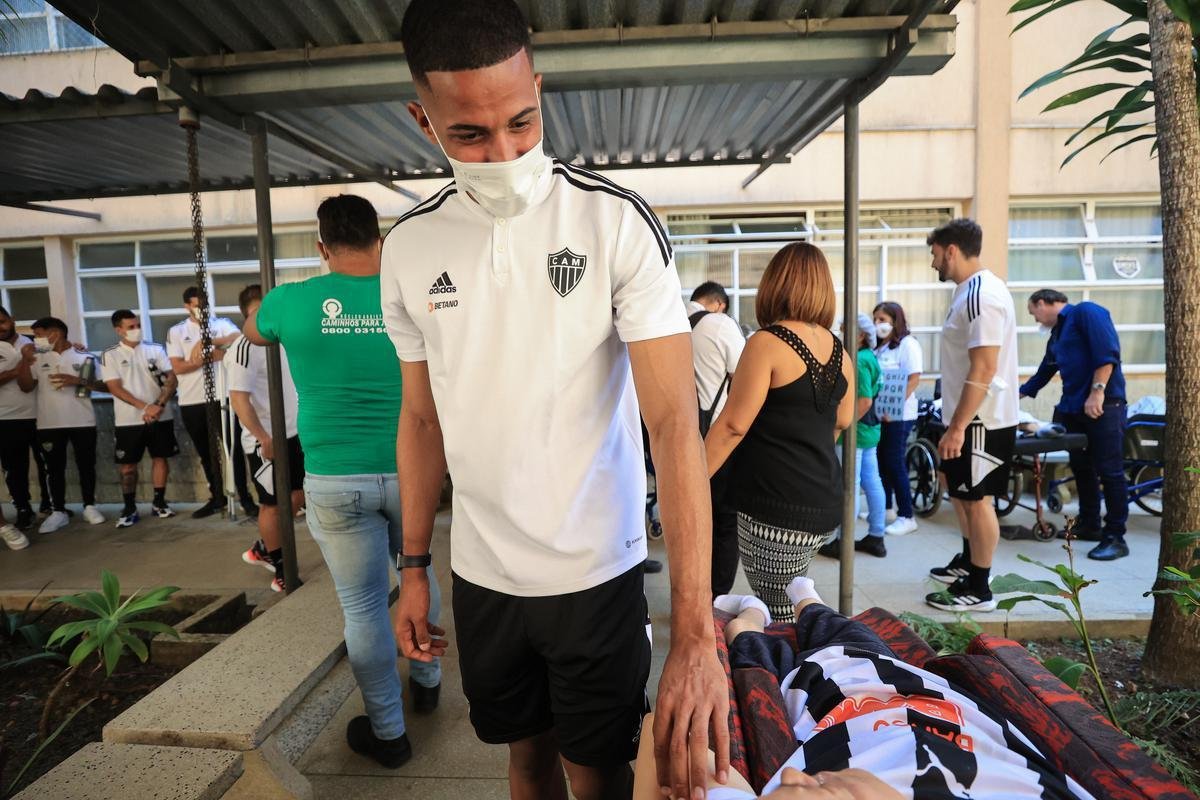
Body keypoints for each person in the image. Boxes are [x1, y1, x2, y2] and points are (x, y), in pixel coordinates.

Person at [384, 4, 729, 799]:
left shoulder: (614, 222)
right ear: (423, 121)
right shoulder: (408, 247)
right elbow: (422, 418)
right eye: (469, 134)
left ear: (538, 89)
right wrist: (414, 566)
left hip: (596, 572)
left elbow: (674, 424)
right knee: (525, 759)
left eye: (521, 121)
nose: (504, 153)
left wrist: (695, 632)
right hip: (483, 573)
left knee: (598, 770)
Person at [245, 194, 442, 770]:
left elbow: (254, 331)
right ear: (380, 240)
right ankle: (428, 681)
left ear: (322, 247)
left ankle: (389, 732)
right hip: (413, 470)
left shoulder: (289, 300)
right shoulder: (411, 294)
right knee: (418, 573)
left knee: (363, 609)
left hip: (335, 478)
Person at [631, 581, 1095, 800]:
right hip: (903, 681)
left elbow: (661, 733)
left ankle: (754, 610)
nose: (790, 779)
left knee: (746, 639)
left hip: (816, 695)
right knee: (828, 621)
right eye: (816, 786)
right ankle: (805, 595)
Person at [705, 242, 854, 623]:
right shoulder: (840, 352)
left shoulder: (767, 342)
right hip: (824, 500)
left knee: (781, 616)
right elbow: (842, 420)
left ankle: (800, 660)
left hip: (773, 504)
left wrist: (690, 478)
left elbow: (733, 425)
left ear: (775, 284)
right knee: (793, 597)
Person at [925, 219, 1019, 612]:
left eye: (935, 255)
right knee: (963, 495)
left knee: (979, 501)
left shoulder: (982, 294)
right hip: (966, 418)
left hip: (981, 421)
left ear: (951, 250)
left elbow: (984, 367)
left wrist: (959, 426)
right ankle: (969, 562)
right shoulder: (968, 291)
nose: (933, 263)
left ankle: (980, 588)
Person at [1020, 290, 1129, 561]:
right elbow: (1045, 371)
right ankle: (1090, 524)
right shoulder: (1058, 333)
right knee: (1082, 468)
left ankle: (1116, 537)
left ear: (1042, 302)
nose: (1036, 320)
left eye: (1034, 313)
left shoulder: (1086, 312)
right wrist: (1013, 395)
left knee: (1110, 471)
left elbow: (1107, 354)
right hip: (1073, 409)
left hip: (1103, 405)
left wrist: (1097, 392)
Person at [226, 285, 303, 592]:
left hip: (295, 431)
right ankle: (281, 567)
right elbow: (238, 398)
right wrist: (263, 437)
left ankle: (264, 546)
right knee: (272, 504)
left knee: (298, 495)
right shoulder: (244, 347)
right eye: (260, 310)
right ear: (248, 314)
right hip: (267, 440)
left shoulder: (284, 337)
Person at [166, 286, 255, 519]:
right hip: (192, 400)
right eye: (197, 306)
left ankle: (245, 498)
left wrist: (211, 341)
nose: (202, 310)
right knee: (207, 453)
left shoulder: (221, 324)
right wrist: (206, 358)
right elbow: (178, 367)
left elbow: (239, 339)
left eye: (205, 305)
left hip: (222, 396)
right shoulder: (177, 331)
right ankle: (217, 498)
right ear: (187, 306)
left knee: (233, 449)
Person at [688, 281, 747, 595]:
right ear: (719, 303)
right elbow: (745, 376)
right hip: (718, 439)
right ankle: (715, 600)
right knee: (724, 521)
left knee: (690, 518)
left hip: (677, 438)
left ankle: (690, 594)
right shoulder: (719, 324)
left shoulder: (670, 320)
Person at [100, 310, 180, 528]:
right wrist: (145, 407)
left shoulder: (155, 349)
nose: (136, 330)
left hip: (160, 417)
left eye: (138, 325)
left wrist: (158, 406)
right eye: (131, 327)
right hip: (128, 421)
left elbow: (172, 378)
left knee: (160, 458)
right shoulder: (110, 354)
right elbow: (114, 387)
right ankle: (129, 507)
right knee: (127, 466)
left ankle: (159, 502)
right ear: (119, 330)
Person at [27, 317, 107, 533]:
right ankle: (58, 511)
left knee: (86, 465)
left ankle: (90, 506)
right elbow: (26, 386)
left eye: (39, 335)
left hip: (82, 421)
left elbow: (105, 386)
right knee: (53, 469)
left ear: (56, 333)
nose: (36, 340)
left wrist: (78, 381)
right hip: (49, 423)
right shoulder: (36, 358)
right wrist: (23, 362)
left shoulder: (85, 356)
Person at [818, 313, 887, 559]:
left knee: (849, 486)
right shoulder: (869, 357)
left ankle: (843, 541)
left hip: (855, 433)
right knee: (872, 481)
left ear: (860, 335)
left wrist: (843, 424)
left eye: (844, 328)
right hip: (869, 431)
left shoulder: (858, 361)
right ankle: (876, 536)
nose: (840, 332)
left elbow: (864, 401)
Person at [872, 301, 924, 536]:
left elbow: (914, 379)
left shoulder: (908, 345)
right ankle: (887, 507)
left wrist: (893, 405)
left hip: (900, 415)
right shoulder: (880, 347)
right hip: (880, 414)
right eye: (875, 320)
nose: (878, 324)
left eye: (882, 319)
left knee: (894, 462)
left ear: (895, 320)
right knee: (882, 461)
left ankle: (907, 515)